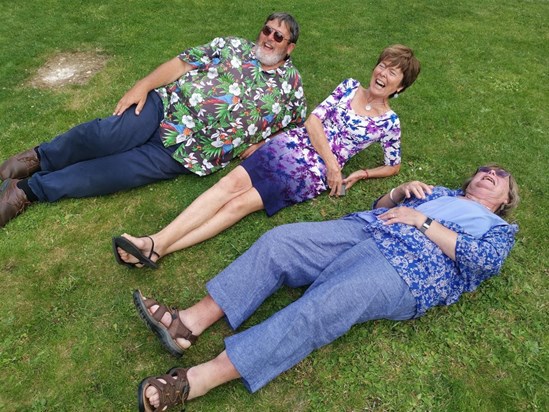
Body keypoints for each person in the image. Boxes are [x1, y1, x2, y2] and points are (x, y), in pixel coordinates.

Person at [132, 164, 519, 411]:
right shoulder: (439, 192)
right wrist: (398, 193)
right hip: (366, 229)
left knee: (322, 307)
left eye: (500, 176)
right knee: (280, 243)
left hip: (408, 267)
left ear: (504, 201)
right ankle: (188, 323)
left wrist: (423, 222)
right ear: (468, 180)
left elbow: (482, 261)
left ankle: (198, 380)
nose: (490, 173)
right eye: (485, 170)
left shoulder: (498, 229)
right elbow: (379, 202)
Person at [113, 44, 421, 269]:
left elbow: (393, 166)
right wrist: (333, 165)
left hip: (308, 173)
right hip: (292, 145)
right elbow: (313, 121)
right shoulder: (349, 87)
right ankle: (156, 243)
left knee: (238, 206)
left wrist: (361, 174)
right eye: (382, 65)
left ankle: (156, 247)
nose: (382, 72)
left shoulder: (389, 123)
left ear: (401, 86)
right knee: (226, 187)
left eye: (392, 72)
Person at [0, 12, 306, 228]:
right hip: (165, 108)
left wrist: (264, 143)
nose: (268, 38)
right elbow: (181, 64)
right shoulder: (232, 47)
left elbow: (296, 124)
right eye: (266, 30)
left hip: (189, 154)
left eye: (278, 35)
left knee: (109, 174)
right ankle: (38, 157)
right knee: (104, 136)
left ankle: (26, 190)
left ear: (289, 47)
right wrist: (143, 85)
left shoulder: (291, 85)